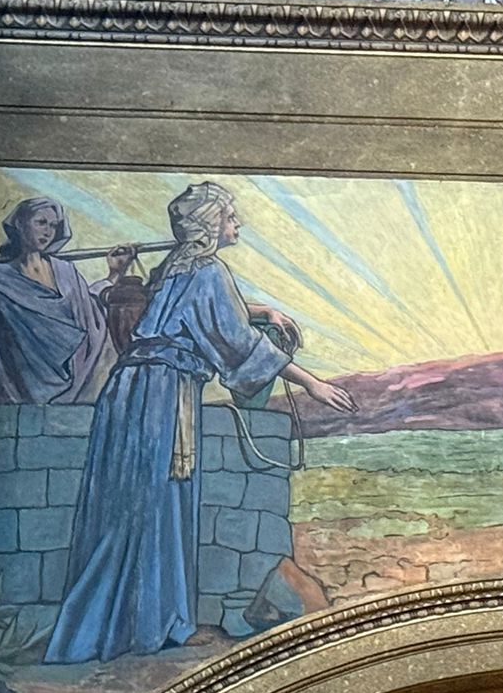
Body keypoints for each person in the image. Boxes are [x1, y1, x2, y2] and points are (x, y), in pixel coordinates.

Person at [45, 182, 355, 664]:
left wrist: (262, 310)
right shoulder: (208, 269)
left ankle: (131, 623)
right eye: (230, 216)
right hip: (162, 393)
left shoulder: (174, 267)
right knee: (159, 504)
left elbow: (201, 312)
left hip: (131, 389)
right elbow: (240, 343)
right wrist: (312, 382)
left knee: (129, 505)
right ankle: (156, 624)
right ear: (210, 225)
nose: (237, 223)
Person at [0, 196, 120, 406]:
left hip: (79, 376)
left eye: (53, 225)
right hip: (18, 383)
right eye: (41, 222)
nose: (48, 231)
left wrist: (114, 275)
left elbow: (89, 307)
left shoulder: (66, 272)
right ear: (20, 223)